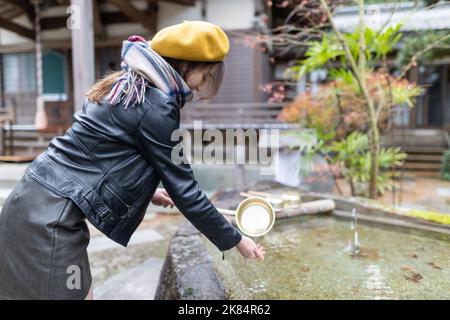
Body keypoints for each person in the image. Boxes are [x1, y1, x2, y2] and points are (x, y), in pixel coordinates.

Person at [0, 21, 265, 300]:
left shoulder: (125, 83)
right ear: (188, 65)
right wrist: (236, 239)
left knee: (78, 291)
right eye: (206, 75)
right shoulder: (158, 104)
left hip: (32, 202)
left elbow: (98, 154)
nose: (201, 87)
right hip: (50, 221)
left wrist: (149, 191)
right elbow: (186, 191)